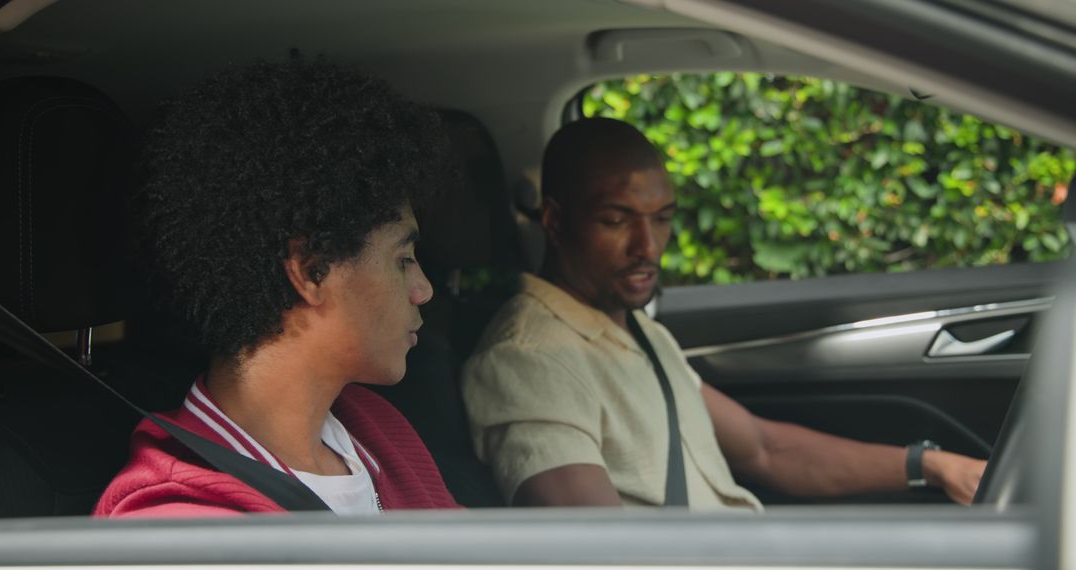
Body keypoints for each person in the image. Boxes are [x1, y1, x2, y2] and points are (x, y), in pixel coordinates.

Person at [461, 117, 986, 510]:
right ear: (555, 220)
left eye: (662, 218)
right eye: (616, 219)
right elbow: (601, 554)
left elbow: (766, 450)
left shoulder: (637, 330)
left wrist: (932, 465)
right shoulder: (527, 360)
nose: (648, 246)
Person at [95, 59, 458, 516]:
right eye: (403, 260)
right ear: (310, 271)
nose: (423, 289)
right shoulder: (179, 526)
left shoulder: (374, 427)